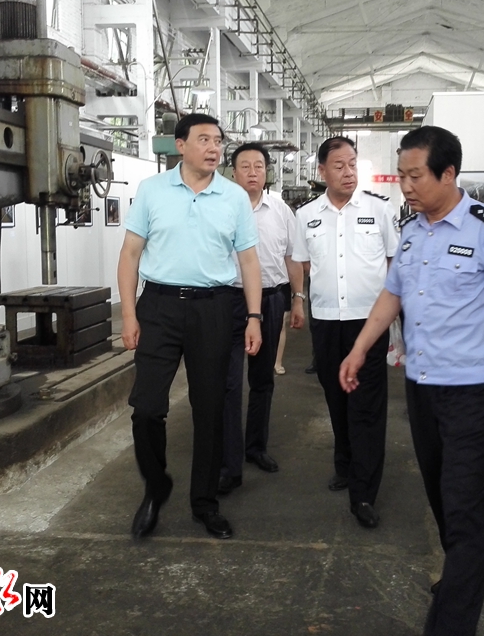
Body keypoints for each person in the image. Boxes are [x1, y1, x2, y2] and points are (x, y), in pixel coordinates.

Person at [339, 125, 484, 636]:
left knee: (464, 502)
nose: (406, 185)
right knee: (440, 492)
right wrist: (360, 349)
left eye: (415, 176)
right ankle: (472, 568)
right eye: (401, 175)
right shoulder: (411, 230)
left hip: (474, 391)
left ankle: (451, 620)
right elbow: (392, 296)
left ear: (448, 174)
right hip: (422, 386)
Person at [118, 113, 262, 541]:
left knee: (210, 408)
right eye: (204, 140)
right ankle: (155, 485)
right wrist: (128, 313)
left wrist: (253, 317)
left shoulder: (233, 197)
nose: (214, 148)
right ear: (180, 145)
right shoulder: (152, 190)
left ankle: (205, 502)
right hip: (158, 307)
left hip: (213, 308)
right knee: (147, 407)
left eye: (218, 140)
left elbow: (249, 261)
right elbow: (130, 254)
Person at [293, 135, 398, 529]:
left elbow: (394, 262)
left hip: (368, 322)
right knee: (336, 397)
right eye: (339, 165)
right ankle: (345, 463)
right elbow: (303, 264)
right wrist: (300, 300)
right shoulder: (307, 215)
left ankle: (364, 492)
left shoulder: (379, 209)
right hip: (326, 321)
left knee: (366, 405)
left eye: (353, 163)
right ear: (322, 171)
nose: (348, 171)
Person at [219, 143, 306, 496]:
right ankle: (229, 460)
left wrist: (298, 299)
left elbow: (292, 258)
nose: (253, 172)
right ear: (233, 172)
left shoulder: (281, 211)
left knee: (262, 379)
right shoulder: (221, 207)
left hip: (271, 299)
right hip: (229, 301)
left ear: (267, 172)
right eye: (245, 166)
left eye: (259, 165)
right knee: (228, 382)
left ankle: (256, 447)